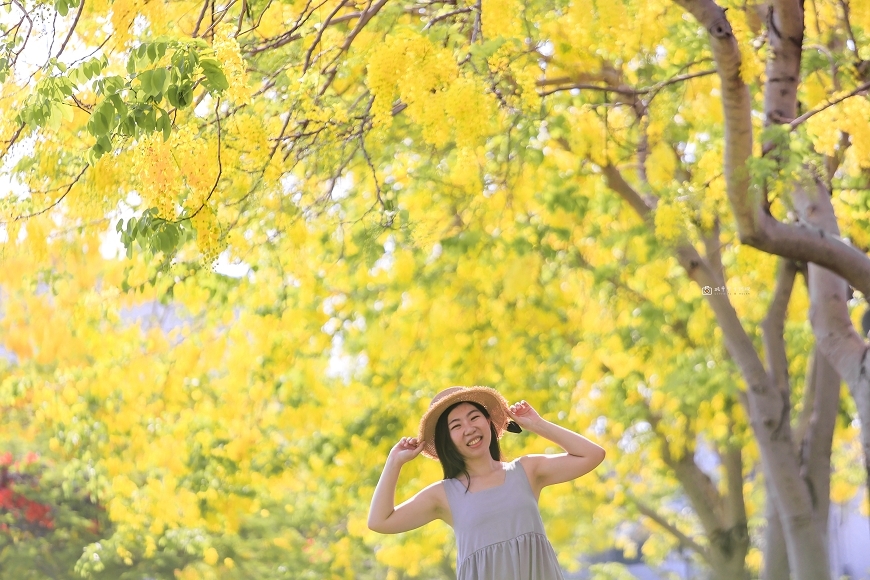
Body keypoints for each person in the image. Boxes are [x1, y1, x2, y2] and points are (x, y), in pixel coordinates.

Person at [367, 386, 606, 580]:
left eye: (474, 417)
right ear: (446, 440)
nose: (469, 428)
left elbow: (592, 455)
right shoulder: (444, 495)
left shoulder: (527, 470)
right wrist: (394, 461)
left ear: (489, 422)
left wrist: (537, 424)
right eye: (456, 425)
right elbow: (379, 521)